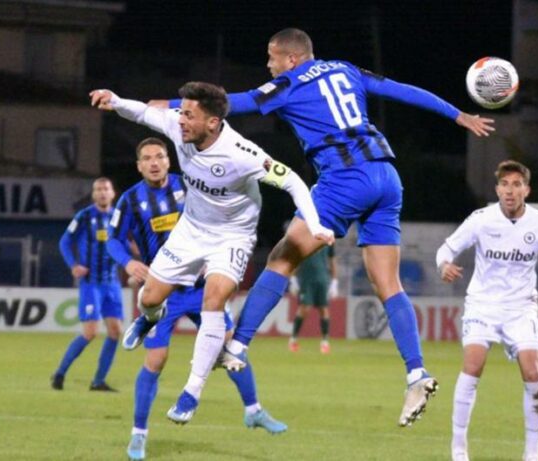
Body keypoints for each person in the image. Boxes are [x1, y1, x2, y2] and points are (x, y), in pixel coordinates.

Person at [155, 27, 495, 426]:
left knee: (281, 259)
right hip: (386, 176)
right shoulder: (346, 69)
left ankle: (238, 346)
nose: (268, 64)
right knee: (389, 284)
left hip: (345, 178)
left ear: (292, 59)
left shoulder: (288, 84)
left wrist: (169, 106)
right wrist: (458, 115)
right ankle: (416, 373)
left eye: (272, 57)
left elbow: (235, 103)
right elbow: (402, 90)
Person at [89, 81, 333, 447]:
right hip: (191, 230)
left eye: (189, 115)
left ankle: (192, 392)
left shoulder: (241, 153)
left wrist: (314, 225)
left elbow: (295, 182)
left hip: (232, 236)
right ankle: (149, 317)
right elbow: (142, 112)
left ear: (213, 122)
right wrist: (117, 100)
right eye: (182, 112)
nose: (181, 120)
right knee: (149, 298)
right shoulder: (178, 127)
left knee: (215, 299)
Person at [107, 137, 289, 460]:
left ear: (169, 160)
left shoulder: (192, 184)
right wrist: (128, 262)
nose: (154, 163)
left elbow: (221, 216)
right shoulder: (131, 200)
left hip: (202, 288)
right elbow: (113, 240)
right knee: (156, 360)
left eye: (159, 156)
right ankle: (138, 434)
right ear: (138, 166)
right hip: (166, 291)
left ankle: (253, 410)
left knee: (230, 346)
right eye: (147, 158)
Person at [435, 160, 538, 461]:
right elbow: (446, 249)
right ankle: (459, 449)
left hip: (521, 307)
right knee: (473, 365)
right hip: (482, 304)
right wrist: (443, 265)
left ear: (527, 190)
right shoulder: (481, 220)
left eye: (516, 185)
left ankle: (532, 453)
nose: (510, 191)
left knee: (533, 372)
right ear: (497, 189)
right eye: (505, 185)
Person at [52, 177, 122, 392]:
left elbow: (126, 242)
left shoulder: (118, 217)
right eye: (98, 189)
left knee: (115, 331)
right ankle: (60, 373)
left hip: (112, 282)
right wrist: (73, 265)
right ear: (93, 194)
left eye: (106, 189)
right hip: (91, 283)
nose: (102, 192)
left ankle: (98, 381)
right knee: (91, 332)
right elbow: (64, 242)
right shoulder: (84, 216)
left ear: (113, 193)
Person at [288, 244, 337, 354]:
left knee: (324, 309)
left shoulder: (328, 239)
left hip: (322, 278)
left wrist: (335, 281)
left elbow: (332, 260)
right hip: (306, 278)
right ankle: (293, 339)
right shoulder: (304, 237)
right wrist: (293, 278)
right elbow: (296, 258)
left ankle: (325, 341)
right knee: (304, 308)